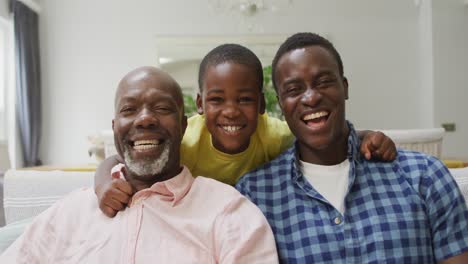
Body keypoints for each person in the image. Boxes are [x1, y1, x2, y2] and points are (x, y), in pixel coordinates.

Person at [0, 67, 279, 263]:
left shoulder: (228, 212)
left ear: (183, 126)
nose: (145, 119)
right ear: (115, 127)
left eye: (161, 108)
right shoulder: (69, 214)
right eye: (129, 109)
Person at [235, 32, 468, 263]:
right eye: (294, 90)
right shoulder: (255, 195)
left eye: (324, 82)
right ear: (281, 103)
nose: (311, 97)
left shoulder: (425, 175)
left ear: (344, 87)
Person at [95, 44, 397, 217]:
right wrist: (102, 186)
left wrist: (365, 136)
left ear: (263, 105)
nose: (230, 111)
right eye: (217, 100)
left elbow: (321, 135)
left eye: (244, 100)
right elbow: (116, 161)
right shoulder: (187, 140)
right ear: (199, 104)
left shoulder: (275, 135)